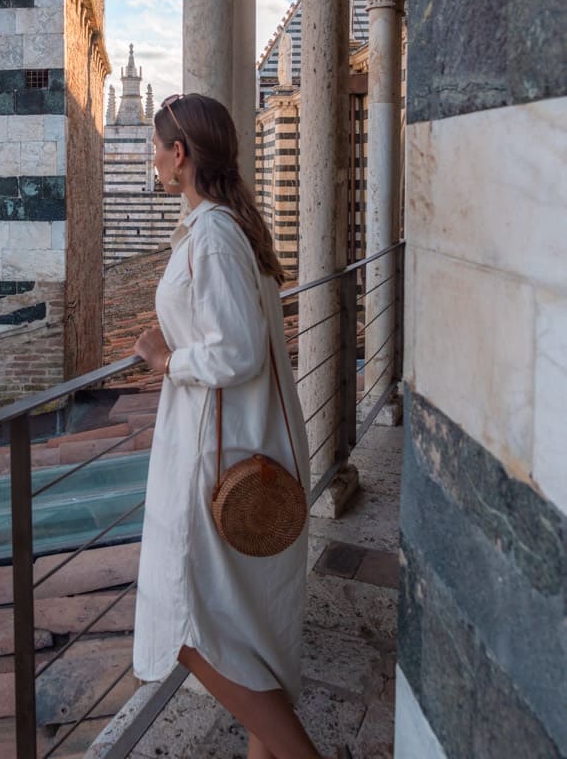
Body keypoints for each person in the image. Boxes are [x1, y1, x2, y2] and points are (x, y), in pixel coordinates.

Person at [133, 93, 352, 759]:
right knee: (237, 624)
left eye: (155, 146)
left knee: (192, 631)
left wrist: (166, 357)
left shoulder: (216, 234)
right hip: (225, 441)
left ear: (180, 155)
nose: (151, 158)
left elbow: (235, 349)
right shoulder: (217, 227)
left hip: (216, 453)